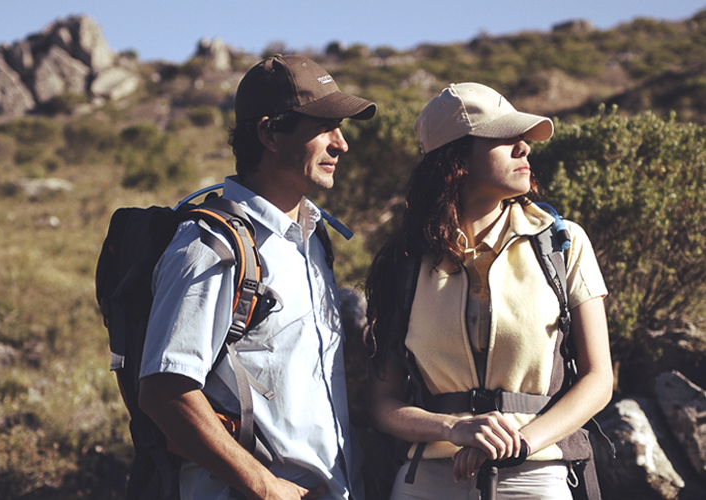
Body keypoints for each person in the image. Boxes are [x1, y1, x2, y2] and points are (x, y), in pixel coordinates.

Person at [138, 54, 377, 500]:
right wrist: (267, 488)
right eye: (324, 126)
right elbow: (164, 390)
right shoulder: (209, 246)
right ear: (269, 132)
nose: (341, 144)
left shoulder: (311, 240)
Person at [364, 83, 612, 499]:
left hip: (537, 474)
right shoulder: (404, 261)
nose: (524, 149)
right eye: (505, 139)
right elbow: (382, 403)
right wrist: (454, 428)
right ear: (456, 159)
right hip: (428, 479)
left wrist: (521, 441)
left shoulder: (562, 243)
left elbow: (598, 379)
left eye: (524, 139)